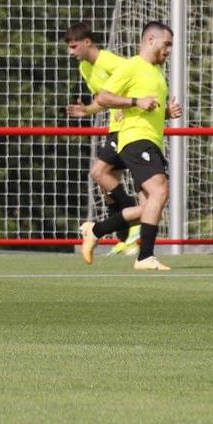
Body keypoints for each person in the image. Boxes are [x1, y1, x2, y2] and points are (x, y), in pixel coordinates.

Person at [78, 22, 180, 271]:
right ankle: (145, 256)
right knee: (160, 191)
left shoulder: (156, 73)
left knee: (147, 208)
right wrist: (135, 100)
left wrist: (166, 113)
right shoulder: (132, 65)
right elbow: (103, 97)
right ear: (150, 40)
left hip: (151, 140)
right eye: (166, 44)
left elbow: (146, 109)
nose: (169, 51)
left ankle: (96, 230)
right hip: (135, 139)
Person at [64, 22, 142, 257]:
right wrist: (87, 111)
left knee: (98, 173)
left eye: (74, 46)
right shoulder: (85, 69)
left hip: (128, 127)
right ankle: (126, 237)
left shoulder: (109, 61)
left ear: (88, 42)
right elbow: (104, 99)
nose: (71, 52)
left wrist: (126, 102)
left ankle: (136, 221)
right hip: (115, 127)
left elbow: (136, 77)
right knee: (107, 188)